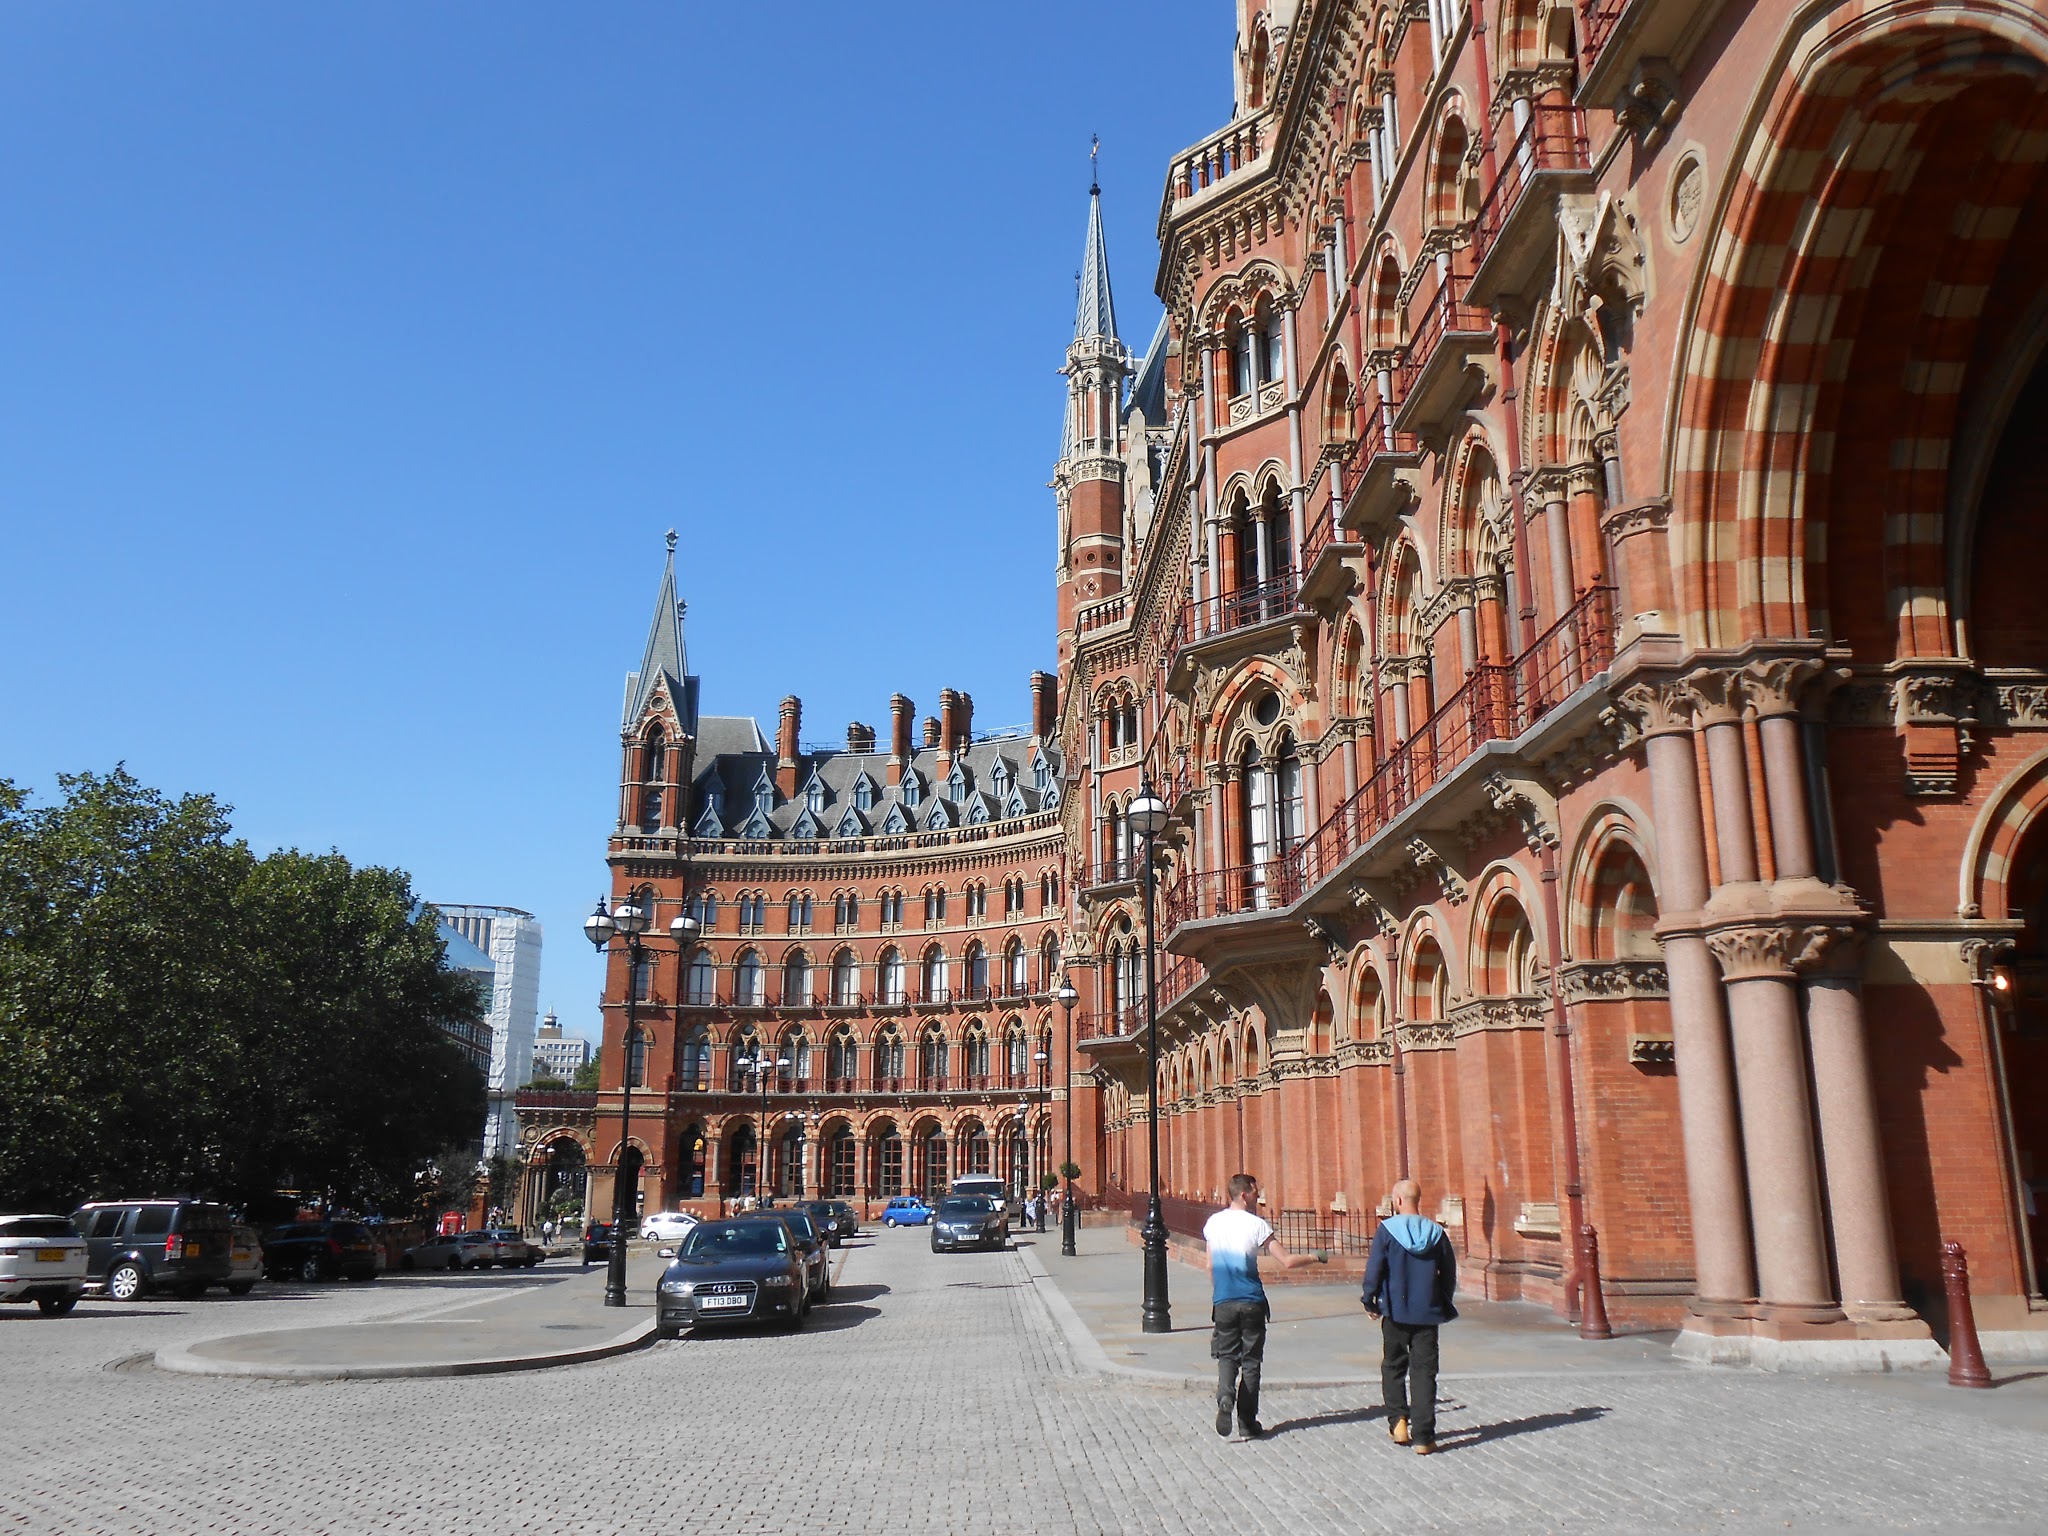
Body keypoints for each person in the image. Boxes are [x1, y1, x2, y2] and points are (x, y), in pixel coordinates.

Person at [1203, 1172, 1326, 1439]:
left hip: (1223, 1300)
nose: (1259, 1198)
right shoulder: (1256, 1225)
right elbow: (1287, 1262)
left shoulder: (1213, 1223)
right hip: (1251, 1300)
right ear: (1244, 1194)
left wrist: (1220, 1293)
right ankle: (1247, 1422)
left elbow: (1210, 1265)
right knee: (1251, 1361)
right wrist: (1315, 1256)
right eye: (1256, 1193)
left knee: (1227, 1354)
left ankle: (1225, 1394)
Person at [1361, 1178, 1458, 1455]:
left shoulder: (1387, 1230)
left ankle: (1399, 1421)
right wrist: (1442, 1300)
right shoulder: (1436, 1232)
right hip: (1427, 1313)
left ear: (1398, 1201)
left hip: (1395, 1311)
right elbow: (1449, 1273)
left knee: (1393, 1366)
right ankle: (1424, 1437)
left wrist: (1370, 1300)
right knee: (1424, 1372)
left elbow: (1375, 1269)